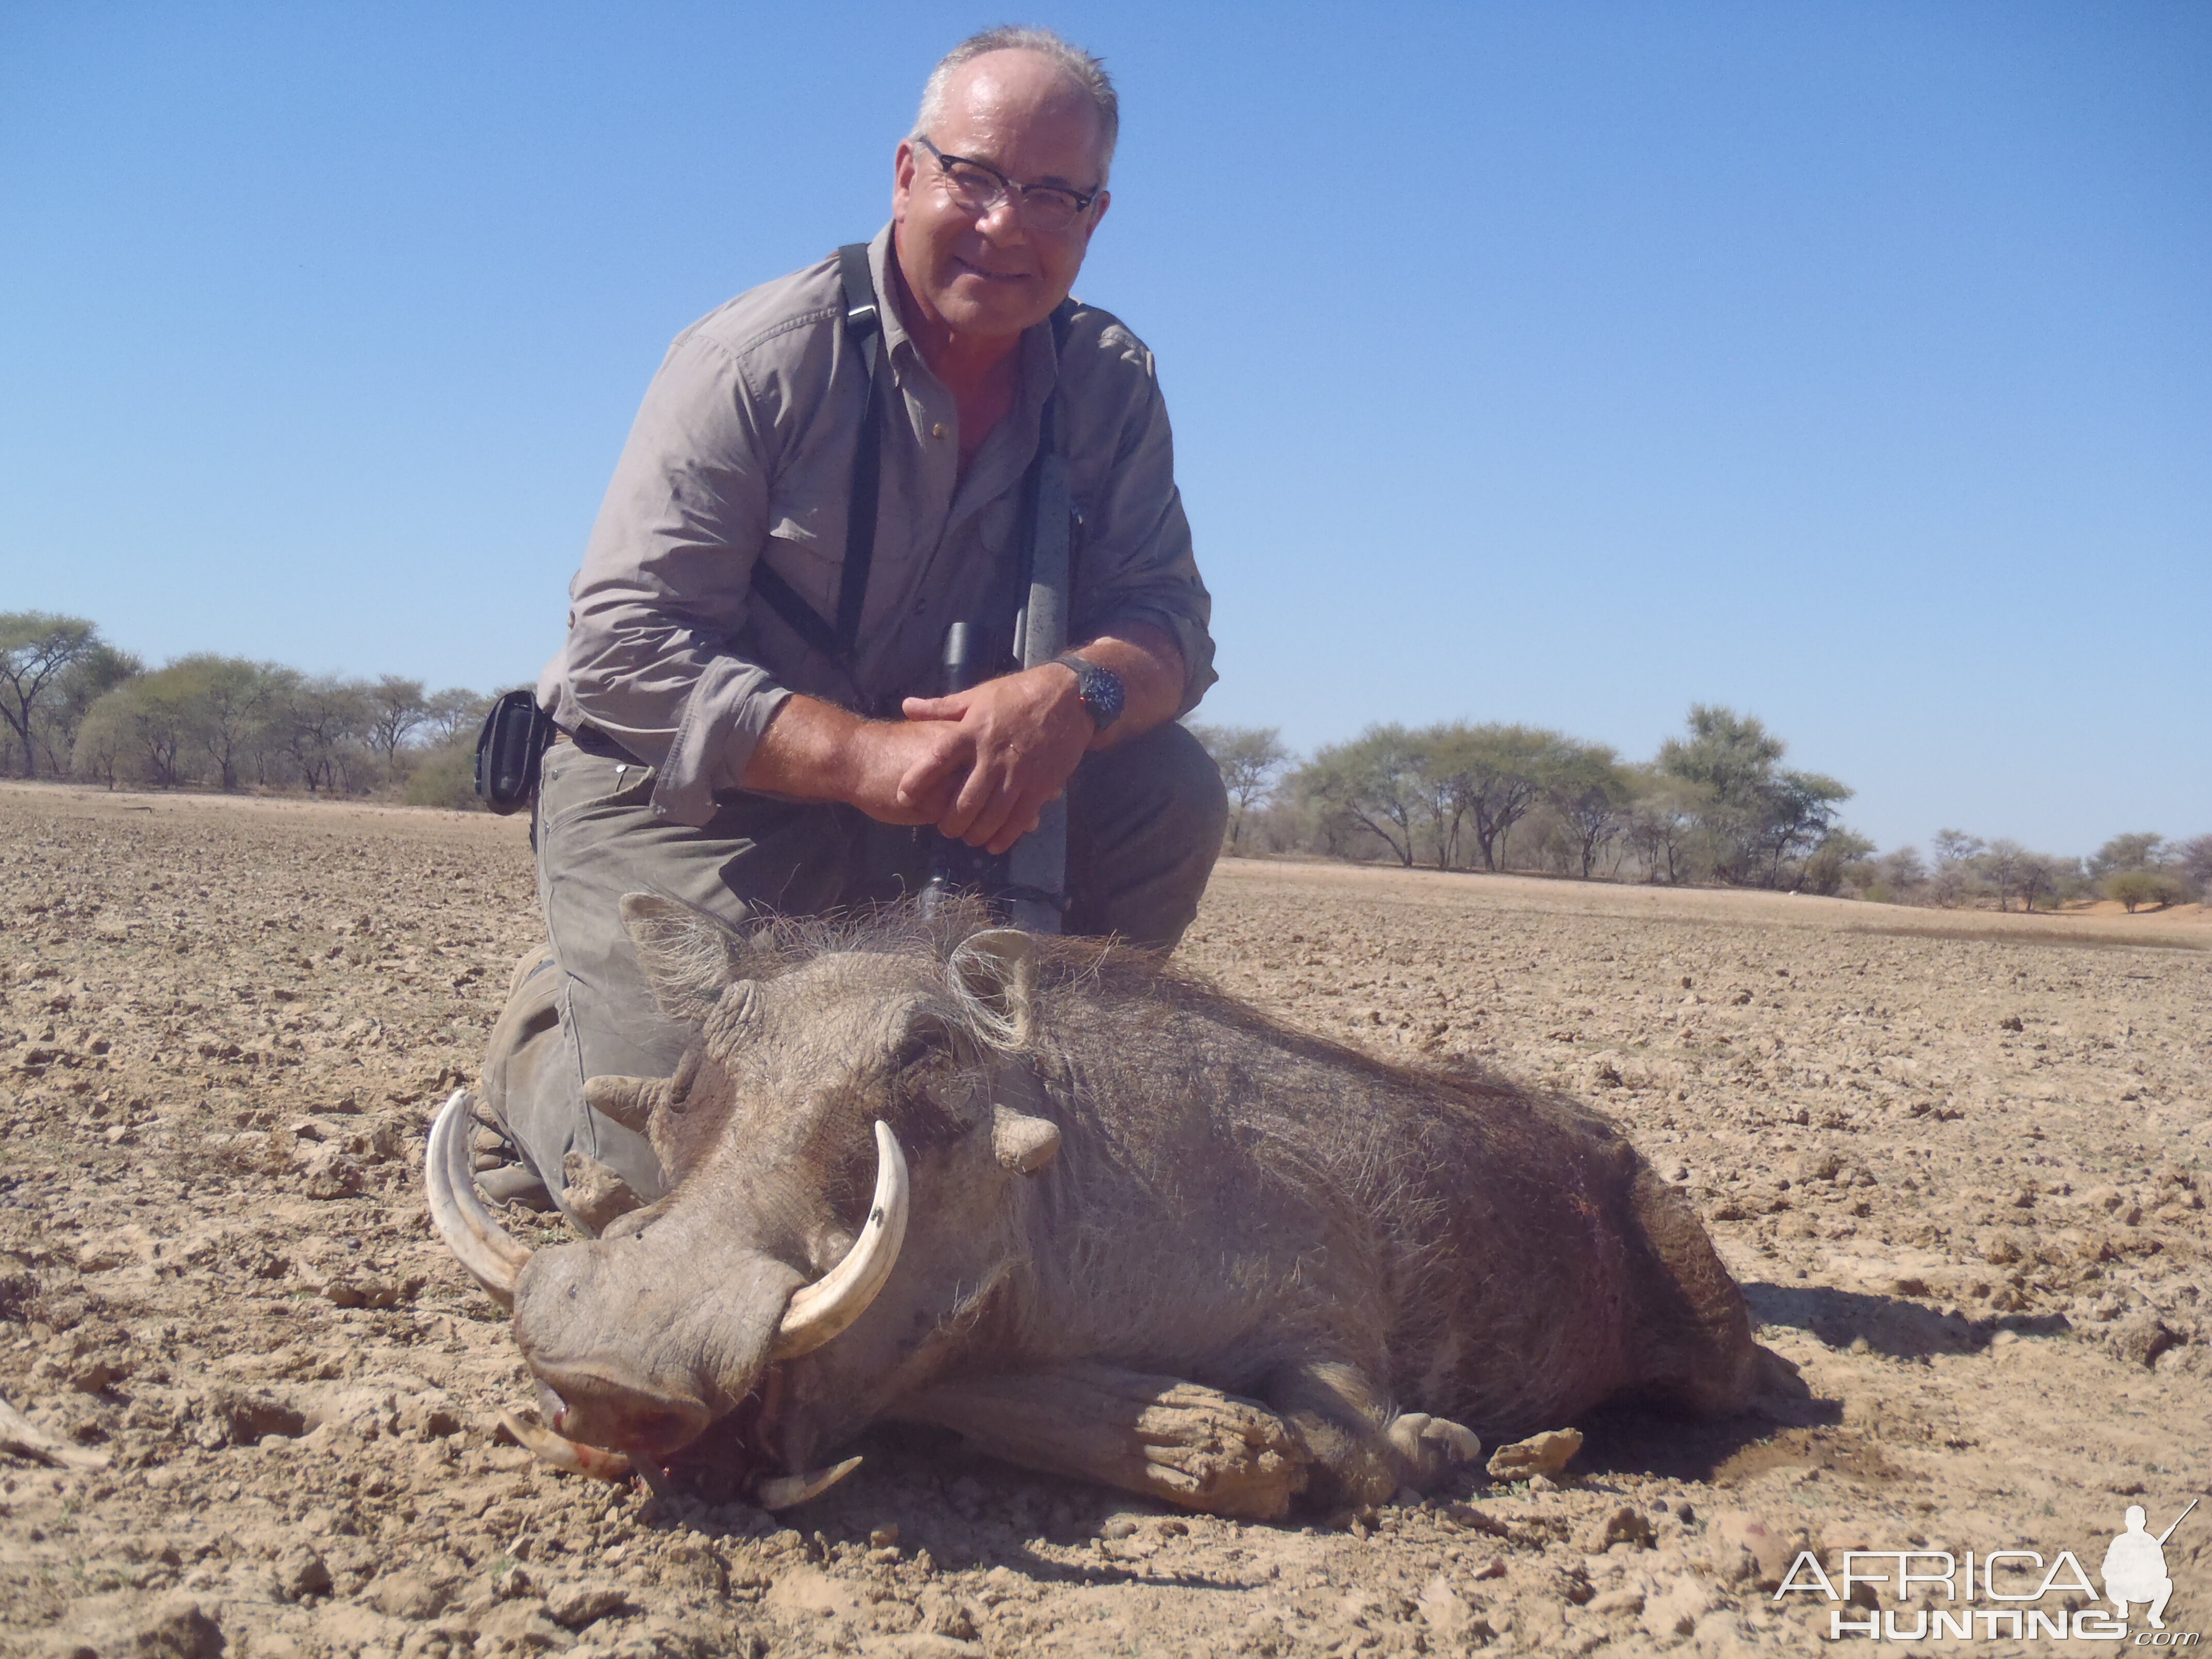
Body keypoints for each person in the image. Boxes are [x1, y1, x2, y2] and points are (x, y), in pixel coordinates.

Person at [476, 27, 1226, 1230]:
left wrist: (1071, 697)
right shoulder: (756, 358)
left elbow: (1169, 624)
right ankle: (536, 1046)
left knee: (1167, 788)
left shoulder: (1111, 384)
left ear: (1094, 217)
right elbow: (622, 646)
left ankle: (1041, 1083)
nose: (1004, 224)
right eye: (972, 177)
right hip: (700, 795)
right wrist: (859, 759)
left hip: (943, 801)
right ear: (904, 175)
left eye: (1050, 195)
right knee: (690, 1191)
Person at [2102, 1505, 2175, 1629]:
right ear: (2127, 1522)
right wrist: (2123, 1572)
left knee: (2167, 1584)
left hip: (2145, 1589)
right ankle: (2122, 1606)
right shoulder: (2119, 1542)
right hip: (2124, 1588)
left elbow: (2163, 1571)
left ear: (2144, 1522)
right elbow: (2106, 1570)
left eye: (2138, 1521)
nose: (2135, 1524)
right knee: (2110, 1583)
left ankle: (2154, 1615)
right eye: (2132, 1521)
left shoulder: (2151, 1542)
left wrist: (2147, 1569)